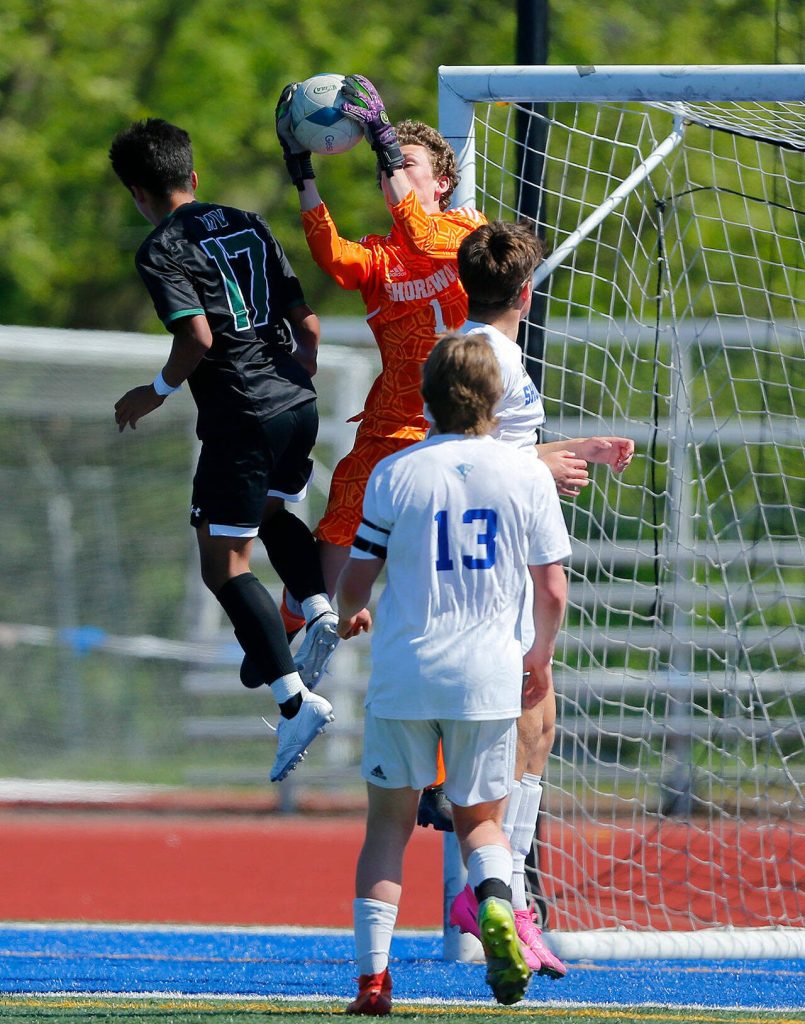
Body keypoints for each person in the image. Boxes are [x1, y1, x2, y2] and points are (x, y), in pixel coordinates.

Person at [335, 332, 571, 1013]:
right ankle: (497, 902)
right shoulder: (525, 472)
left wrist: (353, 613)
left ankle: (374, 982)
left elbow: (357, 578)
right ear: (497, 399)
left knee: (387, 828)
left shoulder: (396, 472)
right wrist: (538, 655)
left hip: (407, 672)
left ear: (424, 399)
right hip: (488, 675)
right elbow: (551, 589)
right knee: (480, 824)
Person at [109, 117, 334, 784]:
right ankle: (316, 608)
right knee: (268, 514)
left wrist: (153, 391)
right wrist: (299, 371)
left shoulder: (160, 249)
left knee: (223, 564)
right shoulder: (247, 221)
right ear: (193, 177)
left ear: (135, 191)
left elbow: (199, 340)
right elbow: (308, 325)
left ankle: (294, 702)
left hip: (242, 415)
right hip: (296, 401)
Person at [446, 220, 635, 976]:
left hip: (510, 543)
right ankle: (498, 893)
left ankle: (510, 893)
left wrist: (567, 453)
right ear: (526, 291)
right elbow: (469, 455)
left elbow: (494, 449)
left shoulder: (491, 350)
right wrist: (544, 464)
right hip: (503, 556)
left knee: (539, 720)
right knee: (520, 715)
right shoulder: (483, 353)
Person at [273, 74, 487, 692]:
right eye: (391, 164)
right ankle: (299, 622)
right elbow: (334, 258)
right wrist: (302, 173)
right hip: (390, 421)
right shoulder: (381, 257)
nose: (391, 169)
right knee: (339, 512)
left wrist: (384, 140)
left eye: (406, 162)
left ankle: (443, 768)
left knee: (434, 581)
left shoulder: (464, 234)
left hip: (455, 429)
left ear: (440, 181)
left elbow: (420, 231)